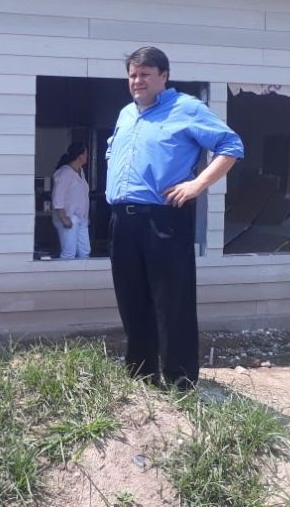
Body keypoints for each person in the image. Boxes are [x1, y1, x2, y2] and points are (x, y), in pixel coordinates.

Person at [106, 46, 244, 389]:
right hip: (123, 220)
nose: (137, 81)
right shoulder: (126, 114)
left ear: (164, 76)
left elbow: (231, 146)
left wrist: (197, 184)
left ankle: (180, 381)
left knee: (172, 301)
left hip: (163, 218)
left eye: (145, 74)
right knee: (132, 299)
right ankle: (142, 374)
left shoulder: (187, 109)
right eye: (132, 75)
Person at [51, 142, 91, 259]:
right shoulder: (64, 172)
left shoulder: (80, 171)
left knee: (84, 252)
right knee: (69, 253)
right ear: (80, 156)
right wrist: (64, 218)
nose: (87, 156)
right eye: (86, 154)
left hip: (81, 218)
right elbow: (58, 197)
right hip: (69, 217)